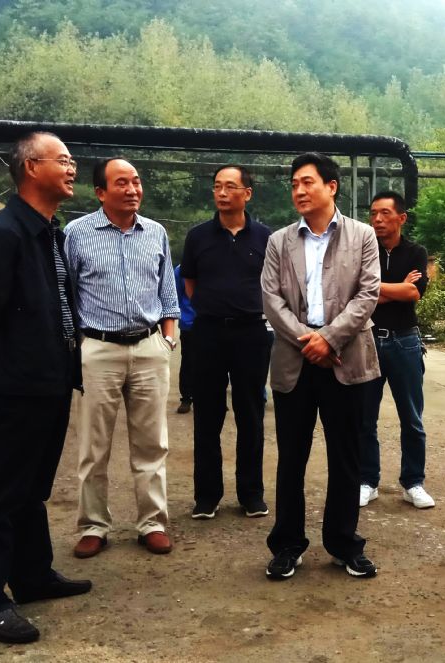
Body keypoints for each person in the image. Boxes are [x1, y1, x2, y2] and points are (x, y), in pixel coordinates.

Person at [0, 132, 91, 643]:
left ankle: (33, 576)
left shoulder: (48, 232)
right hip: (18, 384)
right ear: (31, 167)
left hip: (51, 380)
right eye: (63, 160)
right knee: (1, 493)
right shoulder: (3, 234)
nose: (72, 168)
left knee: (33, 488)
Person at [261, 152, 381, 580]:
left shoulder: (363, 235)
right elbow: (271, 299)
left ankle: (344, 543)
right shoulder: (279, 242)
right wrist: (307, 340)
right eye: (294, 183)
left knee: (346, 457)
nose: (298, 190)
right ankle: (287, 545)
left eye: (307, 182)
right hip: (294, 360)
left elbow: (368, 295)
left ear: (332, 187)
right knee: (291, 457)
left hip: (345, 359)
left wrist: (329, 338)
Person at [64, 158, 180, 558]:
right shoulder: (77, 234)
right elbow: (67, 295)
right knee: (93, 446)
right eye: (121, 183)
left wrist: (167, 340)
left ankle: (152, 522)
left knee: (152, 444)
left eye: (136, 181)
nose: (132, 190)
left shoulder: (156, 232)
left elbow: (168, 293)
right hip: (98, 350)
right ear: (100, 192)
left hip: (149, 348)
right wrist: (78, 346)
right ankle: (93, 525)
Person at [181, 165, 272, 520]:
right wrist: (213, 307)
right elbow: (190, 282)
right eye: (217, 186)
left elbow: (274, 282)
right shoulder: (198, 236)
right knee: (207, 413)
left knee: (251, 413)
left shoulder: (265, 237)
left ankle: (251, 494)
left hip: (252, 333)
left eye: (230, 186)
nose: (222, 193)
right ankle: (207, 496)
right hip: (208, 333)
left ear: (247, 193)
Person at [358, 190, 434, 509]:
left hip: (405, 341)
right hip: (368, 340)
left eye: (385, 213)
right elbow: (356, 293)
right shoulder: (364, 251)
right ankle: (367, 480)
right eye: (373, 213)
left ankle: (413, 483)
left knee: (412, 417)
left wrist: (375, 290)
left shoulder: (416, 252)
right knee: (364, 417)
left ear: (401, 218)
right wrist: (397, 288)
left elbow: (414, 293)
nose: (377, 219)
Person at [174, 262, 196, 414]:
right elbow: (175, 295)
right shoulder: (181, 269)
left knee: (215, 362)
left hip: (212, 321)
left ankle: (214, 396)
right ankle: (186, 397)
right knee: (188, 361)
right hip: (189, 323)